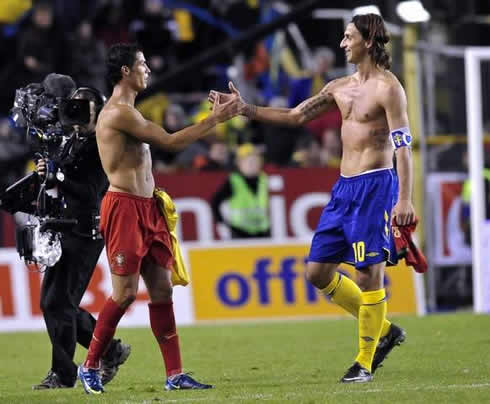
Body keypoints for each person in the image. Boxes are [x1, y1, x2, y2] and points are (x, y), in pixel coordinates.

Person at [209, 13, 415, 383]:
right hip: (344, 188)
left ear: (368, 41)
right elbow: (295, 115)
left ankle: (364, 363)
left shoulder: (389, 89)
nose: (342, 43)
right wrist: (245, 109)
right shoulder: (338, 87)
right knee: (316, 271)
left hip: (375, 186)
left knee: (369, 275)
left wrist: (404, 198)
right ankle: (384, 331)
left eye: (348, 36)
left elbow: (403, 147)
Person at [77, 43, 239, 394]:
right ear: (125, 71)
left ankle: (175, 374)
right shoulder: (120, 112)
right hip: (123, 208)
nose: (147, 69)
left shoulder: (130, 111)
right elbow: (170, 142)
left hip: (149, 207)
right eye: (142, 63)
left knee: (162, 290)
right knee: (124, 294)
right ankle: (89, 365)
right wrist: (216, 119)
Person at [33, 85, 131, 389]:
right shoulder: (72, 141)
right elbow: (61, 180)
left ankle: (63, 374)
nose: (76, 110)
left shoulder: (103, 142)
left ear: (97, 110)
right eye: (73, 105)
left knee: (59, 303)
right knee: (53, 303)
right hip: (64, 225)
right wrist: (46, 172)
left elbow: (90, 194)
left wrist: (56, 175)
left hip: (85, 229)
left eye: (83, 106)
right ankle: (109, 350)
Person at [211, 143, 270, 239]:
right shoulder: (233, 181)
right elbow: (215, 202)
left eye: (255, 160)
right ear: (239, 163)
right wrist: (221, 223)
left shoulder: (264, 179)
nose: (252, 164)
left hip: (263, 231)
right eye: (248, 161)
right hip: (239, 232)